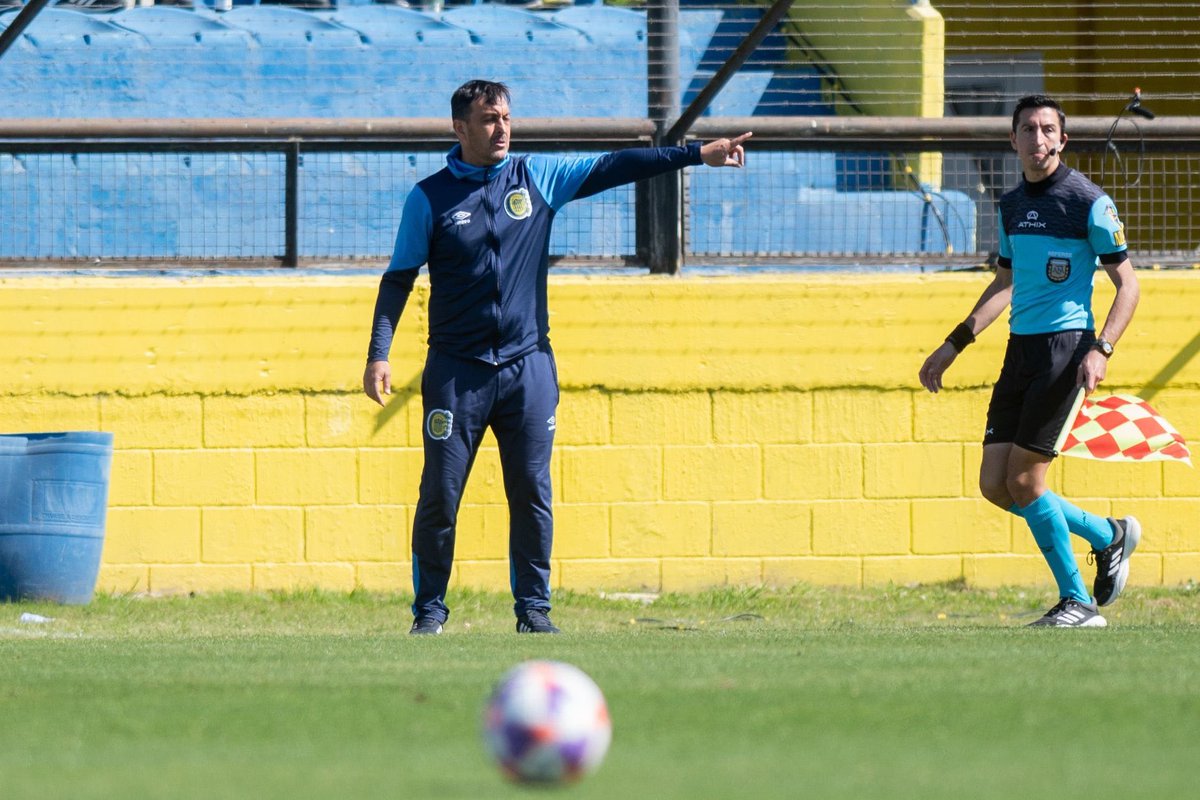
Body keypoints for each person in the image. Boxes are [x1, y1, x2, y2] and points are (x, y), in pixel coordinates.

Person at [363, 79, 752, 636]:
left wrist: (696, 155)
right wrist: (379, 354)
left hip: (528, 368)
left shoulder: (537, 179)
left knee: (531, 492)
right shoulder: (428, 198)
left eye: (506, 117)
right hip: (456, 373)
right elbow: (398, 279)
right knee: (440, 496)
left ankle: (534, 611)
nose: (502, 129)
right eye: (489, 119)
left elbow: (617, 164)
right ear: (460, 128)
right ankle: (429, 613)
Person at [918, 94, 1141, 628]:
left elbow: (1128, 285)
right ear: (1012, 140)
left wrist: (1101, 347)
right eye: (1028, 130)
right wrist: (953, 344)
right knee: (996, 485)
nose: (1038, 139)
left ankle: (1078, 602)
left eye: (1048, 130)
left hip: (1066, 353)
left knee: (1025, 480)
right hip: (1021, 352)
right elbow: (1006, 282)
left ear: (1062, 140)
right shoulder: (1012, 204)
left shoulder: (1088, 201)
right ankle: (1107, 534)